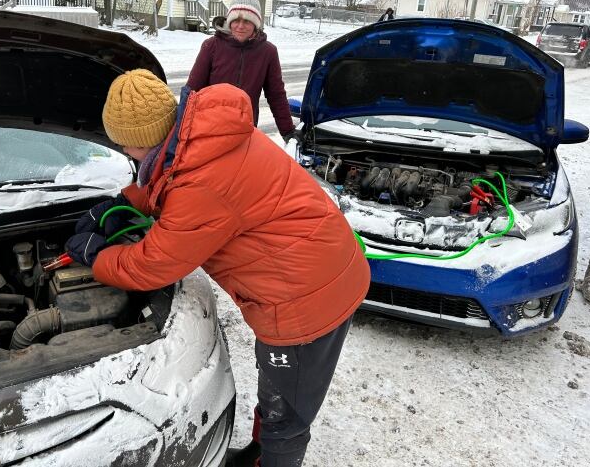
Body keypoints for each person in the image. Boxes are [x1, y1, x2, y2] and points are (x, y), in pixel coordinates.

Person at [65, 69, 370, 467]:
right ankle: (262, 454)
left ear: (145, 139)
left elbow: (152, 265)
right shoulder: (205, 138)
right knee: (278, 388)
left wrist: (96, 256)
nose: (124, 151)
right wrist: (121, 202)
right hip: (312, 269)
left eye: (125, 144)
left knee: (288, 412)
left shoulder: (203, 181)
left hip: (307, 300)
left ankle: (274, 456)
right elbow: (169, 179)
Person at [187, 0, 295, 142]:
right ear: (229, 21)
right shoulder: (212, 46)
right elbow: (192, 91)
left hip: (245, 130)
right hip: (209, 129)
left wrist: (288, 132)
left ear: (256, 25)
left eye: (247, 21)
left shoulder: (268, 52)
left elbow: (276, 95)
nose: (240, 26)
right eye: (236, 20)